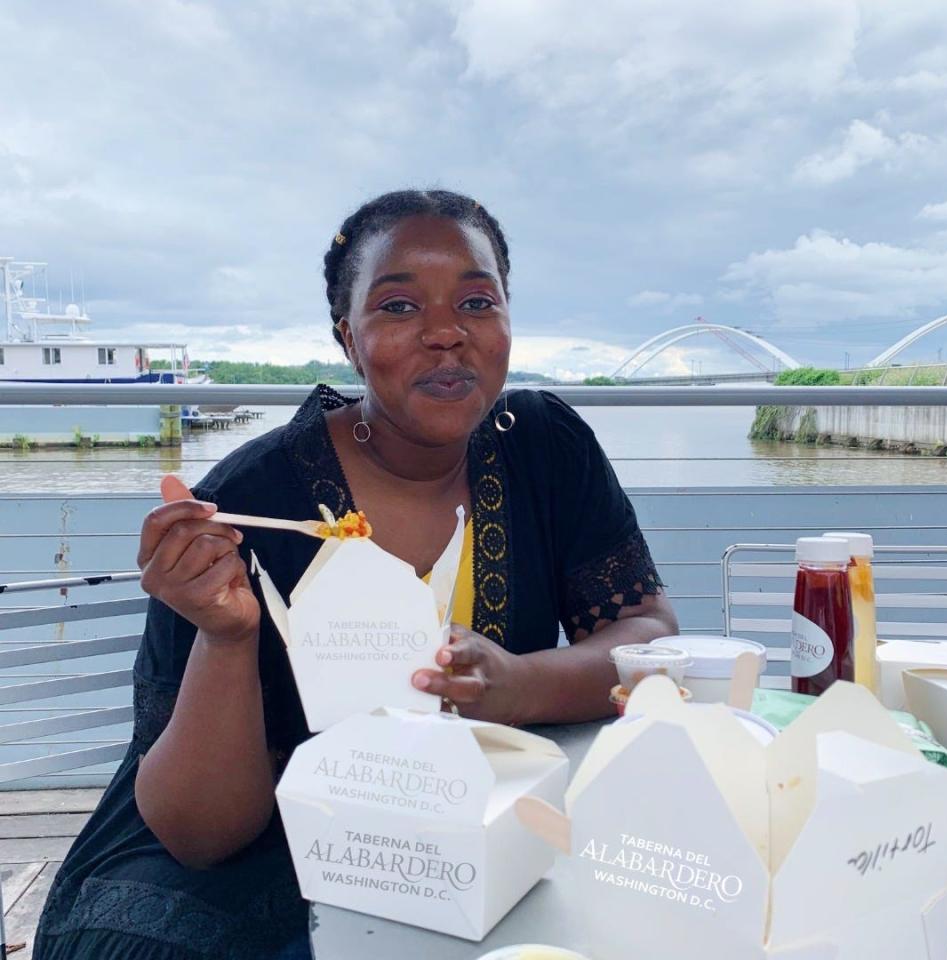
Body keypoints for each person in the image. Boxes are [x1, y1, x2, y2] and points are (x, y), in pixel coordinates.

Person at [34, 189, 677, 960]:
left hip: (478, 823)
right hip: (255, 860)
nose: (447, 333)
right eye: (399, 307)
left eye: (477, 300)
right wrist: (228, 638)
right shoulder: (246, 502)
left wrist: (518, 683)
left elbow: (647, 640)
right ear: (348, 336)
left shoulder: (545, 448)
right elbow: (199, 835)